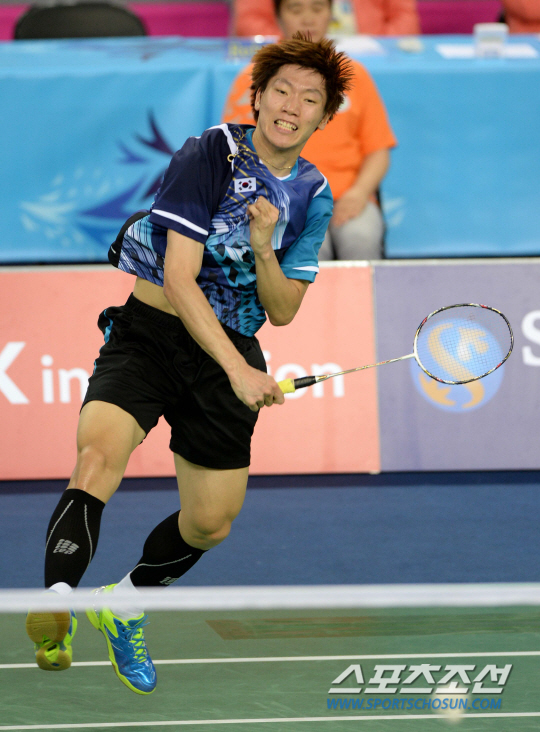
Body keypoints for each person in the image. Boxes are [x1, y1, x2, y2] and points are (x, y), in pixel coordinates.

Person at [25, 33, 354, 696]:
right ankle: (57, 600)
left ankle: (124, 604)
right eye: (281, 91)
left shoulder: (314, 195)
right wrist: (239, 371)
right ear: (256, 98)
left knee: (210, 521)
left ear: (324, 118)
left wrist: (264, 247)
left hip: (228, 350)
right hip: (152, 334)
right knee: (97, 455)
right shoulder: (211, 152)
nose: (291, 106)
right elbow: (179, 278)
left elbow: (283, 310)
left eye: (309, 99)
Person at [223, 0, 397, 260]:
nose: (308, 19)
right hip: (280, 199)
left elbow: (378, 150)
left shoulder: (355, 76)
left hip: (347, 197)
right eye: (296, 9)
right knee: (310, 250)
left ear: (330, 14)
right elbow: (234, 153)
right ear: (277, 16)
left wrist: (359, 193)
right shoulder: (252, 79)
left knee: (361, 238)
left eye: (317, 9)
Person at [231, 0, 420, 38]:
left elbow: (405, 18)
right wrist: (294, 50)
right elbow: (249, 21)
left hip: (369, 59)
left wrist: (374, 49)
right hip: (292, 52)